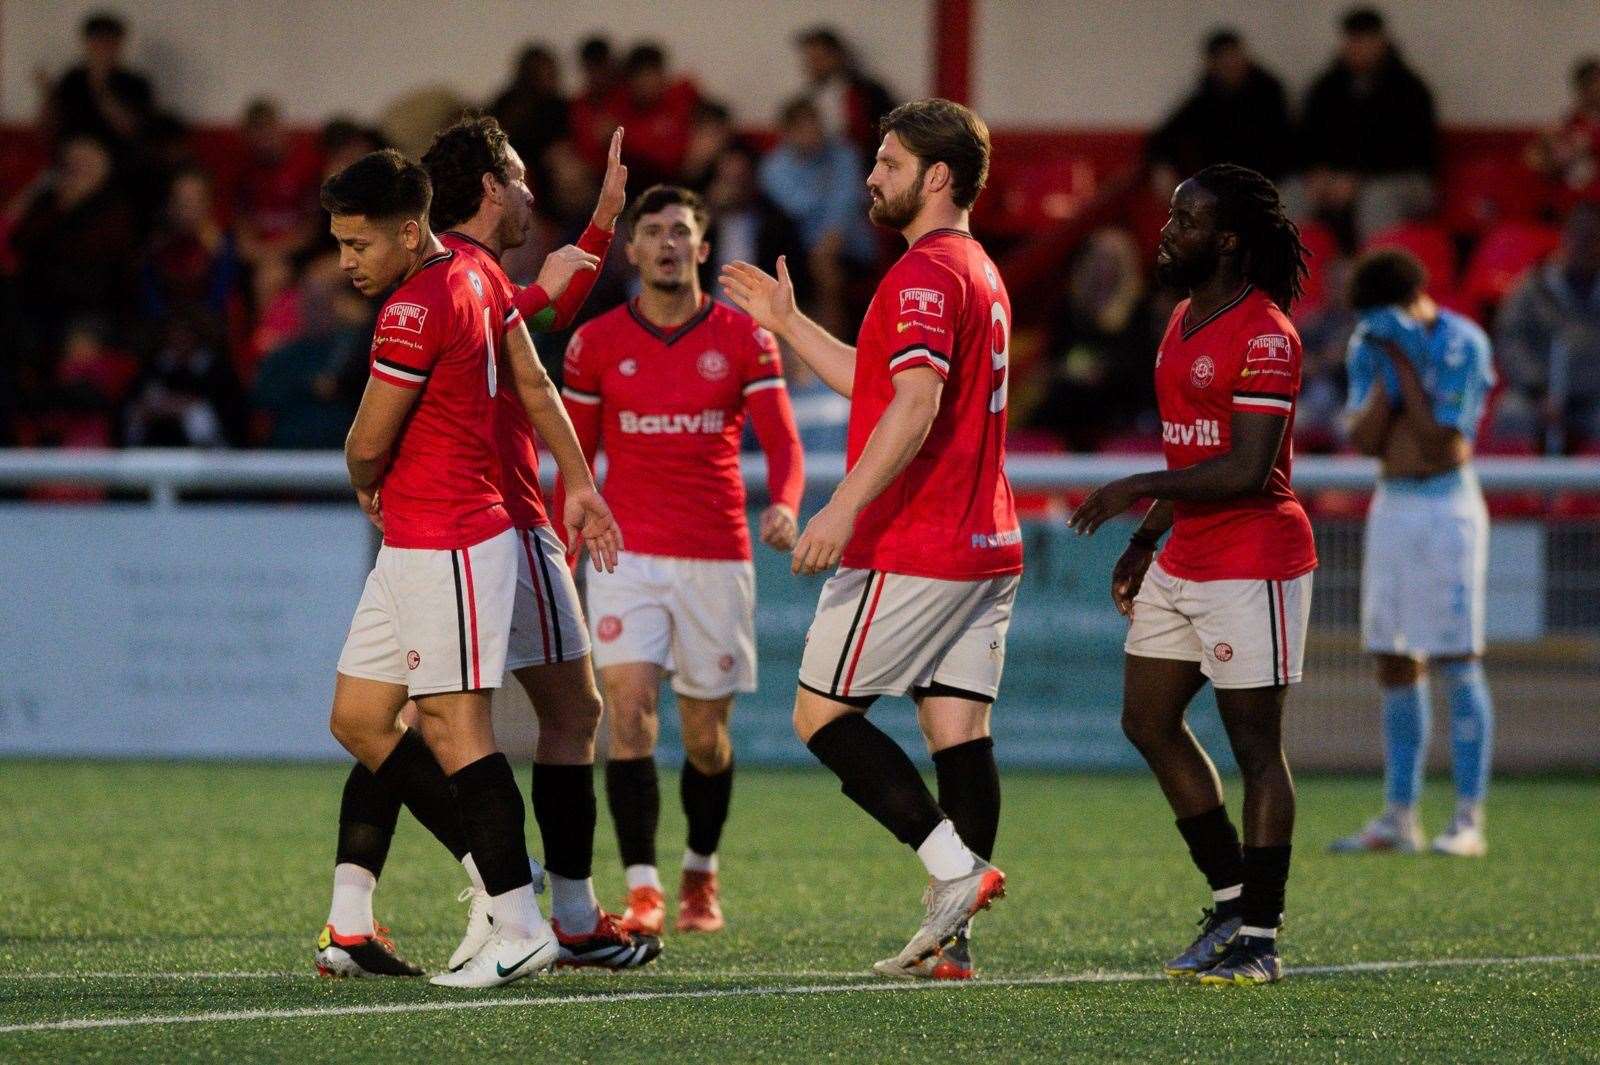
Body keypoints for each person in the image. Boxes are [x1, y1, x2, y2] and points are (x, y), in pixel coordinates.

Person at [721, 98, 1017, 981]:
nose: (870, 177)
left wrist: (840, 508)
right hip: (987, 541)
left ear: (936, 177)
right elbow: (887, 386)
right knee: (958, 731)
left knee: (820, 713)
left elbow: (916, 406)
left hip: (916, 540)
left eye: (887, 163)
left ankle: (955, 870)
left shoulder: (925, 274)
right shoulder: (974, 268)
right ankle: (952, 943)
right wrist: (789, 322)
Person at [312, 148, 620, 989]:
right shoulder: (476, 277)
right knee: (362, 718)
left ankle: (518, 920)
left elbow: (367, 440)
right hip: (425, 537)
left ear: (409, 233)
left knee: (456, 728)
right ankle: (500, 886)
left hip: (449, 534)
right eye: (340, 244)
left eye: (358, 244)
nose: (348, 261)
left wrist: (366, 478)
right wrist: (583, 484)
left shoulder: (413, 308)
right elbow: (532, 378)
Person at [1067, 164, 1317, 986]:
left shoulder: (1269, 333)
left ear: (1230, 239)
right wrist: (1146, 539)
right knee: (1147, 720)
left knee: (1256, 747)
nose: (1167, 232)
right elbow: (1192, 449)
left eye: (1186, 220)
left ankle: (1262, 937)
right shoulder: (1179, 317)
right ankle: (1230, 896)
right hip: (1184, 554)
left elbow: (1246, 469)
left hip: (1254, 558)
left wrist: (1136, 486)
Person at [427, 116, 661, 970]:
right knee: (549, 715)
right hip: (500, 517)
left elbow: (542, 309)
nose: (530, 192)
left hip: (463, 519)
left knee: (391, 721)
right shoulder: (463, 275)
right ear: (490, 187)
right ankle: (528, 905)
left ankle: (361, 910)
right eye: (519, 178)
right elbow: (520, 332)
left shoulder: (458, 271)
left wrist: (602, 222)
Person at [559, 184, 804, 938]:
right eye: (653, 230)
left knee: (704, 738)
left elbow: (785, 445)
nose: (667, 242)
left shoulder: (744, 338)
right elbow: (576, 458)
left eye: (682, 231)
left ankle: (700, 868)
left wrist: (787, 502)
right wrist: (562, 541)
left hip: (715, 556)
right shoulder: (594, 342)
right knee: (626, 717)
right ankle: (643, 888)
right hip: (623, 553)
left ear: (703, 249)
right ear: (631, 250)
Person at [1330, 249, 1497, 858]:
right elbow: (1370, 439)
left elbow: (1444, 446)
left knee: (1456, 656)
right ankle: (1401, 815)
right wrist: (1388, 379)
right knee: (1394, 659)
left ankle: (1468, 817)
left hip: (1448, 508)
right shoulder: (1365, 344)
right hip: (1394, 504)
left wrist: (1401, 365)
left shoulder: (1462, 343)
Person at [1295, 7, 1438, 245]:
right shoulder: (1325, 89)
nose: (1357, 48)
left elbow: (1409, 151)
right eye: (1352, 40)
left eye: (1365, 40)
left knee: (1376, 199)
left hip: (1403, 179)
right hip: (1337, 179)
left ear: (1382, 42)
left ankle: (1375, 274)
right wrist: (1316, 173)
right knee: (1292, 194)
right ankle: (1289, 273)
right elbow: (1307, 141)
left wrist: (1358, 178)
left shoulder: (1409, 89)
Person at [1493, 202, 1600, 452]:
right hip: (1537, 396)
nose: (1586, 247)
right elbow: (1511, 340)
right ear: (1565, 237)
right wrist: (1538, 390)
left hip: (1595, 398)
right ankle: (1517, 491)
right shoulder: (1532, 286)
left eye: (1594, 239)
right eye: (1579, 238)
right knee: (1510, 415)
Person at [1147, 29, 1293, 190]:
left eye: (1235, 56)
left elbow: (1286, 143)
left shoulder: (1269, 94)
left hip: (1270, 182)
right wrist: (1163, 166)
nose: (1232, 64)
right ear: (1212, 64)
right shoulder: (1203, 100)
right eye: (1224, 59)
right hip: (1220, 188)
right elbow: (1164, 138)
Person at [794, 26, 896, 162]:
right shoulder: (808, 99)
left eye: (818, 58)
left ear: (836, 57)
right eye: (809, 59)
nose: (812, 65)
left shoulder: (868, 93)